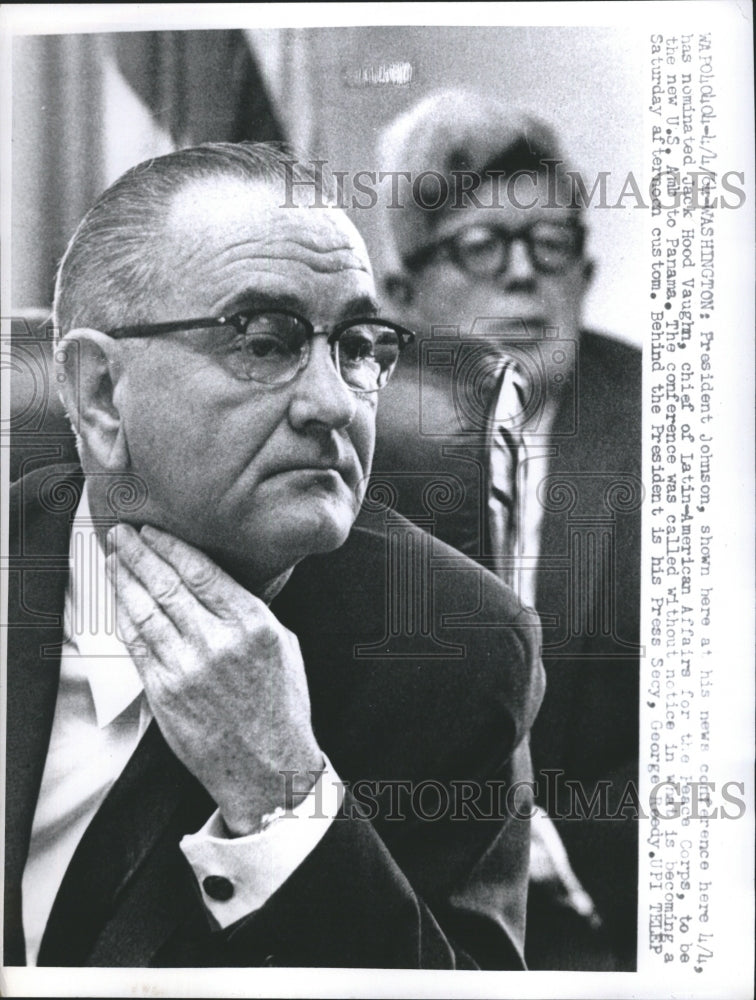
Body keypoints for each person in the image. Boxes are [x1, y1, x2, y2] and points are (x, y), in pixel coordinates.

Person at [5, 142, 544, 969]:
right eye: (263, 340)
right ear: (101, 395)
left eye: (359, 346)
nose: (334, 402)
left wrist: (285, 795)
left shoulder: (454, 651)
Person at [372, 91, 642, 970]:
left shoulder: (682, 426)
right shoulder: (343, 443)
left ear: (584, 271)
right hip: (396, 921)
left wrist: (558, 856)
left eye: (551, 244)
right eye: (482, 246)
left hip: (611, 931)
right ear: (400, 294)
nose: (524, 275)